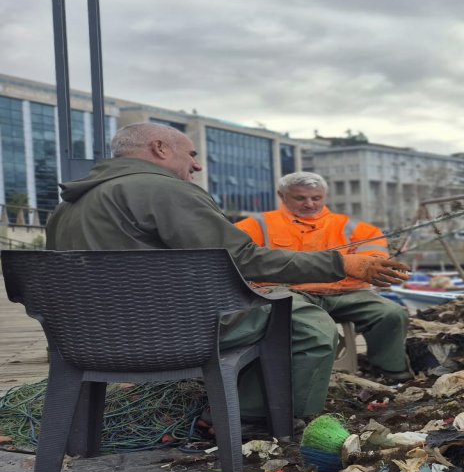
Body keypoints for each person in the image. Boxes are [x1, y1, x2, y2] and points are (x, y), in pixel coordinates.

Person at [45, 123, 409, 420]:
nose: (197, 165)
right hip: (168, 333)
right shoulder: (163, 190)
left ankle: (239, 403)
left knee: (287, 313)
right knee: (310, 327)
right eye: (192, 155)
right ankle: (254, 418)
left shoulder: (67, 207)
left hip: (89, 339)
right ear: (159, 149)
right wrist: (341, 263)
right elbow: (242, 258)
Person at [235, 173, 412, 381]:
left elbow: (375, 253)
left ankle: (392, 373)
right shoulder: (256, 225)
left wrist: (372, 263)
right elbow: (237, 257)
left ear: (324, 195)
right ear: (282, 196)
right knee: (314, 326)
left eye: (316, 198)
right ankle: (301, 379)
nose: (310, 204)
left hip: (345, 293)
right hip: (289, 294)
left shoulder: (354, 227)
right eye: (300, 198)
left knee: (391, 313)